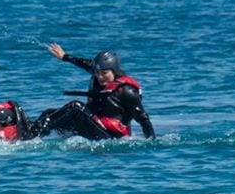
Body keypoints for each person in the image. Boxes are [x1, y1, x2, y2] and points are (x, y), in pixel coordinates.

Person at [26, 45, 155, 140]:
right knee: (49, 113)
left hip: (110, 136)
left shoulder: (127, 91)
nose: (100, 77)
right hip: (93, 124)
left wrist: (151, 141)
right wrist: (65, 57)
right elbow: (85, 63)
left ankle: (31, 135)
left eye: (104, 73)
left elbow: (143, 119)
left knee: (75, 107)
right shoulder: (99, 74)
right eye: (97, 73)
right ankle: (31, 135)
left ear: (114, 71)